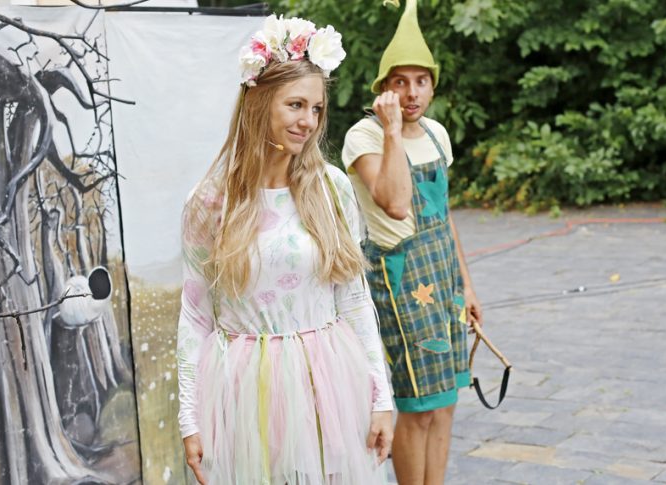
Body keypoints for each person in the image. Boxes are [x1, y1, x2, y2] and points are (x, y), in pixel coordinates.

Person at [176, 14, 393, 485]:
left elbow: (354, 298)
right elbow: (195, 313)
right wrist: (189, 417)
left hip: (328, 384)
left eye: (316, 108)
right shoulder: (211, 201)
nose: (308, 122)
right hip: (243, 391)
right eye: (295, 105)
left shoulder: (331, 189)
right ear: (258, 104)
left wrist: (381, 397)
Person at [340, 1, 483, 483]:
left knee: (446, 403)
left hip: (443, 278)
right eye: (399, 82)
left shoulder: (439, 135)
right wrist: (392, 131)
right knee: (418, 405)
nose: (411, 92)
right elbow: (395, 202)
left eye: (421, 81)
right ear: (383, 88)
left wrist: (466, 285)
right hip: (402, 282)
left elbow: (445, 218)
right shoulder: (364, 136)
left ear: (433, 86)